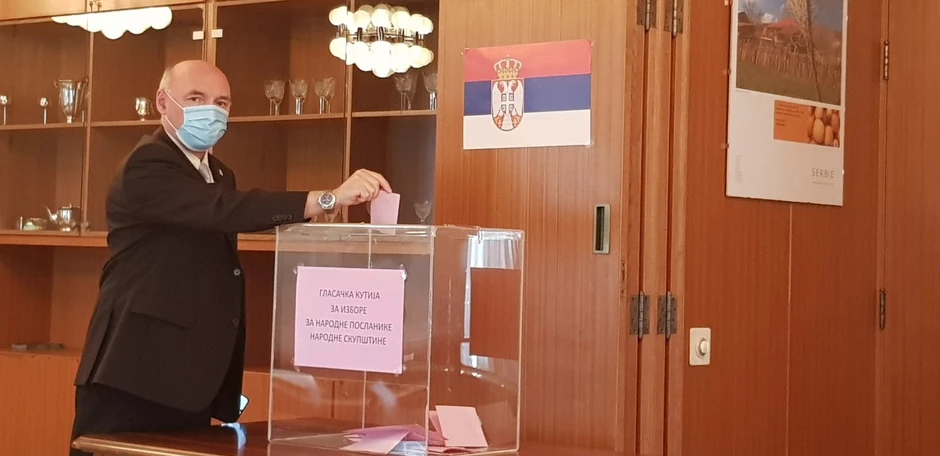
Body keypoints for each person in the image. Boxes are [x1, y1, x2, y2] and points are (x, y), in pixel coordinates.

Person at [68, 60, 391, 455]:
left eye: (221, 103)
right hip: (134, 370)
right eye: (196, 99)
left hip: (188, 376)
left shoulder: (219, 173)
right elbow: (223, 209)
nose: (211, 111)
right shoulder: (146, 163)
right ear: (162, 102)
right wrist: (327, 199)